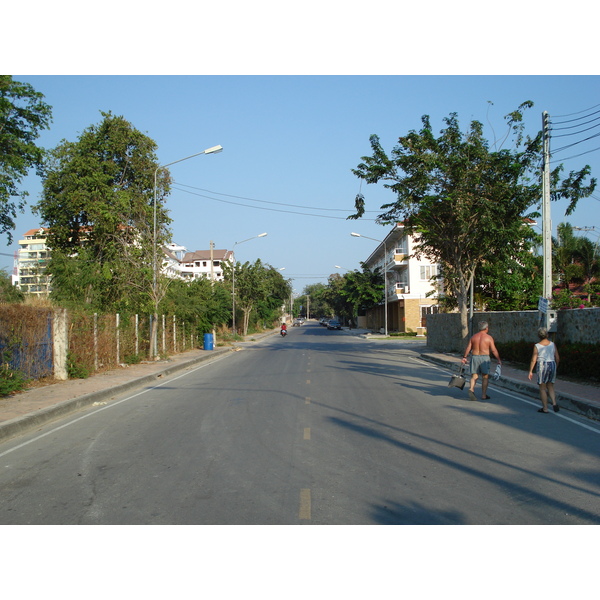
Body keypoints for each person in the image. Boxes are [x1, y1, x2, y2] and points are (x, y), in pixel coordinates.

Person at [461, 321, 502, 401]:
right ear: (486, 328)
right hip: (485, 358)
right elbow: (493, 350)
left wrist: (464, 357)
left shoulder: (473, 337)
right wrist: (498, 359)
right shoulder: (488, 338)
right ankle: (483, 395)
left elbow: (468, 348)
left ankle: (471, 389)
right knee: (485, 377)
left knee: (474, 376)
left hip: (475, 357)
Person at [528, 327, 560, 413]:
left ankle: (545, 408)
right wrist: (556, 367)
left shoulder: (537, 346)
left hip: (542, 365)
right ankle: (554, 403)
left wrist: (531, 370)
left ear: (539, 336)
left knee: (542, 387)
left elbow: (534, 359)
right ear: (547, 335)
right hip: (552, 363)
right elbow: (557, 357)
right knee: (550, 385)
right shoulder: (552, 344)